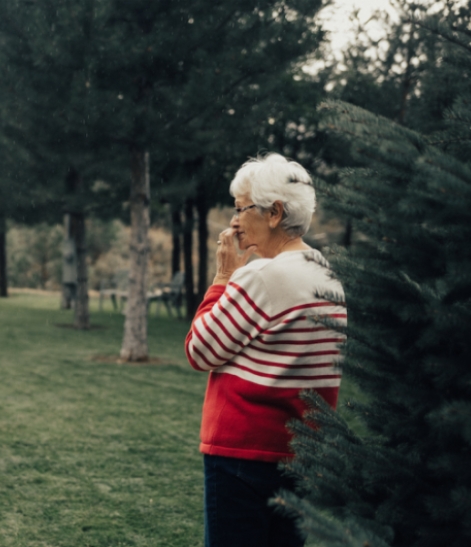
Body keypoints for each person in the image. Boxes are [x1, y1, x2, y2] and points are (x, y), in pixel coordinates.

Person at [184, 153, 346, 547]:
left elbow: (200, 350)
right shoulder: (328, 275)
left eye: (241, 209)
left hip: (242, 453)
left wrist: (223, 276)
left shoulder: (261, 275)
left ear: (274, 213)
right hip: (301, 456)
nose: (234, 221)